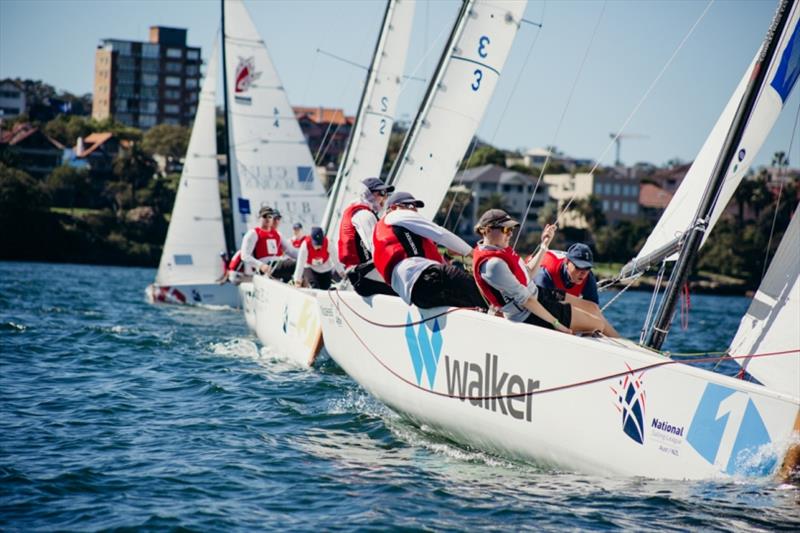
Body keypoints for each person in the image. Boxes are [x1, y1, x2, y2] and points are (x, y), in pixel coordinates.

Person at [472, 209, 619, 336]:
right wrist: (557, 324)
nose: (510, 234)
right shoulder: (493, 265)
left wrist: (544, 244)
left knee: (592, 309)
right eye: (505, 230)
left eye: (511, 230)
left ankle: (629, 346)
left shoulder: (499, 252)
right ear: (487, 230)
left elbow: (528, 274)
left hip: (538, 296)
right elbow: (526, 300)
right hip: (529, 314)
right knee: (598, 325)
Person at [373, 191, 485, 309]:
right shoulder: (395, 215)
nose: (415, 210)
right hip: (423, 277)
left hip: (416, 293)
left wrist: (447, 255)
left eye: (416, 207)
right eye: (411, 206)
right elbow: (441, 234)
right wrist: (474, 253)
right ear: (394, 207)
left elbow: (411, 253)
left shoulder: (383, 230)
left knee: (470, 305)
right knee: (475, 289)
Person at [533, 240, 620, 336]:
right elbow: (541, 305)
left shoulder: (588, 277)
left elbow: (593, 310)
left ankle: (621, 343)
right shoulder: (546, 272)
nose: (583, 273)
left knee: (596, 315)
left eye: (587, 268)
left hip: (557, 298)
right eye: (579, 267)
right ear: (567, 262)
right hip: (534, 301)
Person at [339, 177, 396, 296]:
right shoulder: (364, 215)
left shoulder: (358, 211)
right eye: (381, 193)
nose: (385, 198)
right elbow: (377, 247)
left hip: (359, 273)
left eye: (386, 194)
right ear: (369, 195)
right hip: (363, 276)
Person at [227, 206, 296, 283]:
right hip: (266, 267)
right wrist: (261, 265)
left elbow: (291, 251)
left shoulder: (278, 234)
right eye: (264, 216)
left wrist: (305, 258)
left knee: (301, 266)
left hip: (277, 266)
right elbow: (245, 255)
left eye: (270, 217)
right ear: (259, 218)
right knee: (294, 265)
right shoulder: (253, 233)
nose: (267, 219)